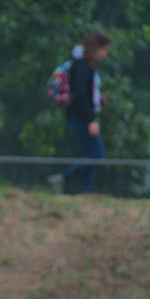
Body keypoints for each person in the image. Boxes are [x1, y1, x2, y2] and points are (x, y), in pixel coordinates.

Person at [50, 30, 111, 193]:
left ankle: (86, 191)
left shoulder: (82, 65)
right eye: (105, 50)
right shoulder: (83, 66)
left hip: (79, 115)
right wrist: (91, 120)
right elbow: (81, 95)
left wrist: (99, 99)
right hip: (80, 117)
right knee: (97, 156)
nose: (106, 54)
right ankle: (63, 178)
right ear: (97, 47)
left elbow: (84, 93)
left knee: (91, 155)